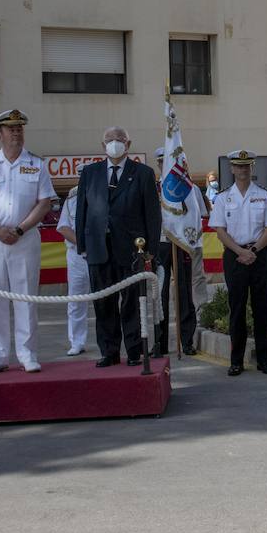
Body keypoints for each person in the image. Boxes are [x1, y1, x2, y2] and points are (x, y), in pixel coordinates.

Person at [0, 109, 57, 374]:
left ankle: (27, 354)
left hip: (24, 239)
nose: (17, 133)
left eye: (20, 128)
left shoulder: (36, 164)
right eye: (11, 129)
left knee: (25, 296)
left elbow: (44, 202)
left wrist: (19, 229)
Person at [74, 126, 161, 368]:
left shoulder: (143, 173)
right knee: (103, 302)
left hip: (133, 249)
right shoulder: (90, 173)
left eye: (119, 139)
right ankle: (109, 351)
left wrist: (151, 248)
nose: (115, 143)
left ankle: (134, 351)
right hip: (98, 248)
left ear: (128, 144)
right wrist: (82, 244)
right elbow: (82, 210)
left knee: (132, 301)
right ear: (103, 146)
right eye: (110, 140)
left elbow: (152, 214)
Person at [209, 149, 267, 376]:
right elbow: (220, 230)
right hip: (234, 255)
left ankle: (264, 360)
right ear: (231, 169)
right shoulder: (222, 198)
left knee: (262, 308)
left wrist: (253, 250)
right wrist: (240, 251)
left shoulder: (264, 195)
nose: (242, 170)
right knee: (237, 309)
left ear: (252, 168)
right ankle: (236, 361)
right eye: (238, 166)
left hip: (259, 254)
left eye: (246, 166)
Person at [152, 146, 201, 359]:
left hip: (181, 245)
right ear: (159, 165)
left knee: (184, 292)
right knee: (159, 295)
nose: (166, 166)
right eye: (163, 163)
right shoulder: (153, 188)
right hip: (161, 245)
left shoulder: (189, 188)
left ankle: (187, 340)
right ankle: (160, 342)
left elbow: (198, 216)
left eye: (170, 162)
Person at [54, 186, 90, 356]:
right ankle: (77, 341)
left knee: (106, 299)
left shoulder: (103, 196)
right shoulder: (71, 201)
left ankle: (108, 342)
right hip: (77, 256)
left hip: (100, 256)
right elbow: (63, 227)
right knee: (76, 300)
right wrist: (83, 245)